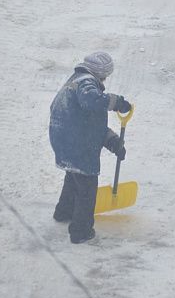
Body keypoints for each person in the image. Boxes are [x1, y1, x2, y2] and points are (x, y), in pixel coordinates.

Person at [49, 51, 131, 243]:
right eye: (106, 75)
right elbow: (92, 101)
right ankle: (81, 231)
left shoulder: (76, 80)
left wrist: (113, 142)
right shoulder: (86, 84)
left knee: (74, 174)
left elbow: (92, 125)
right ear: (101, 73)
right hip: (75, 142)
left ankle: (64, 211)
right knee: (86, 186)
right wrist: (116, 102)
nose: (106, 79)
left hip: (65, 138)